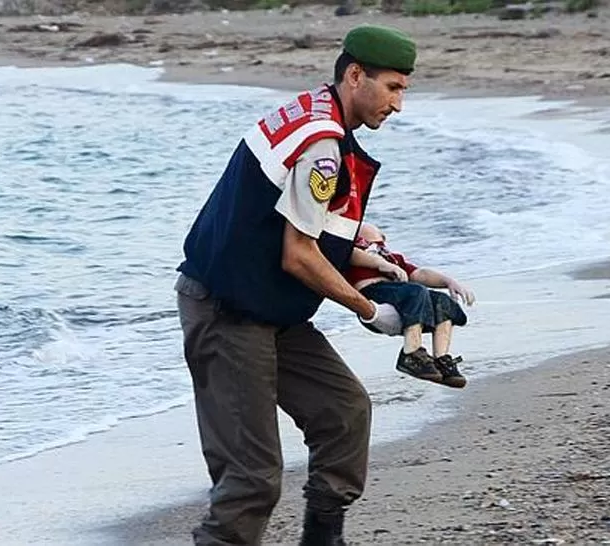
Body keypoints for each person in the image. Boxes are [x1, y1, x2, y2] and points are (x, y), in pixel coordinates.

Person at [174, 24, 417, 546]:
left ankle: (322, 540)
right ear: (356, 75)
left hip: (271, 310)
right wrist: (369, 311)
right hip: (226, 312)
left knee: (344, 412)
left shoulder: (316, 112)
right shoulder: (323, 149)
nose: (398, 105)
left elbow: (302, 231)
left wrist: (383, 264)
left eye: (403, 90)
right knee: (252, 479)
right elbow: (299, 255)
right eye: (393, 88)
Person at [345, 222, 475, 388]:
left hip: (402, 299)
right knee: (416, 291)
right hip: (372, 295)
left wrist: (448, 282)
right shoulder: (355, 252)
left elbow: (420, 274)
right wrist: (380, 264)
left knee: (442, 301)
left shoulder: (394, 258)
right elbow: (349, 253)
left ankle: (441, 360)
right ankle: (411, 353)